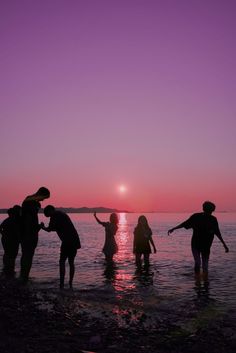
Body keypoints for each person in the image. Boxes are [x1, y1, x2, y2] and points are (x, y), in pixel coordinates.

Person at [168, 201, 229, 278]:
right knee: (199, 263)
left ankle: (203, 283)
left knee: (204, 265)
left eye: (211, 210)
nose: (210, 212)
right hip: (196, 244)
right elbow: (185, 223)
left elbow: (217, 232)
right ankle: (198, 281)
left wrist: (224, 245)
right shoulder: (197, 217)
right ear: (205, 209)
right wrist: (174, 228)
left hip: (205, 245)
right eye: (210, 210)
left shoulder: (212, 219)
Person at [41, 205, 81, 289]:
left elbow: (50, 229)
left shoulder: (54, 216)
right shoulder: (62, 214)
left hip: (67, 241)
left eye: (47, 213)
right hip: (74, 240)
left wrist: (42, 227)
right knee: (71, 262)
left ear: (51, 210)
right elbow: (57, 227)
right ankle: (70, 283)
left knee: (62, 262)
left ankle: (62, 283)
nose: (46, 215)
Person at [20, 187, 50, 282]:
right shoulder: (32, 203)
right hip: (29, 235)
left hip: (25, 233)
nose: (43, 200)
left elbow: (27, 219)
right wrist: (37, 228)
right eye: (44, 197)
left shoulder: (28, 200)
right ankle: (25, 277)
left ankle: (23, 276)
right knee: (28, 256)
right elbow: (28, 221)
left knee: (25, 255)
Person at [0, 205, 21, 276]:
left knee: (8, 254)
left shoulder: (7, 220)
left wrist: (3, 234)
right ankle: (9, 269)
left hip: (7, 239)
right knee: (11, 255)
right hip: (11, 240)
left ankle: (7, 269)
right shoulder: (13, 220)